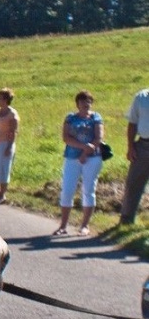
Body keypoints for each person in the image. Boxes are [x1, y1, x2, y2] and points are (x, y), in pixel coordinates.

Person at [54, 90, 104, 237]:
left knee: (88, 190)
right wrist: (83, 148)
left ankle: (84, 225)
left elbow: (98, 137)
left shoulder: (96, 117)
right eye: (83, 101)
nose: (86, 104)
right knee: (67, 190)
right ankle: (63, 225)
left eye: (88, 101)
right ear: (77, 104)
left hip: (93, 158)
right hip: (72, 157)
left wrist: (86, 153)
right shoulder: (70, 118)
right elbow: (66, 137)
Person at [119, 88, 149, 225]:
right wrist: (130, 147)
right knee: (133, 183)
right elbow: (132, 123)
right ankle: (126, 218)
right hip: (143, 145)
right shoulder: (141, 97)